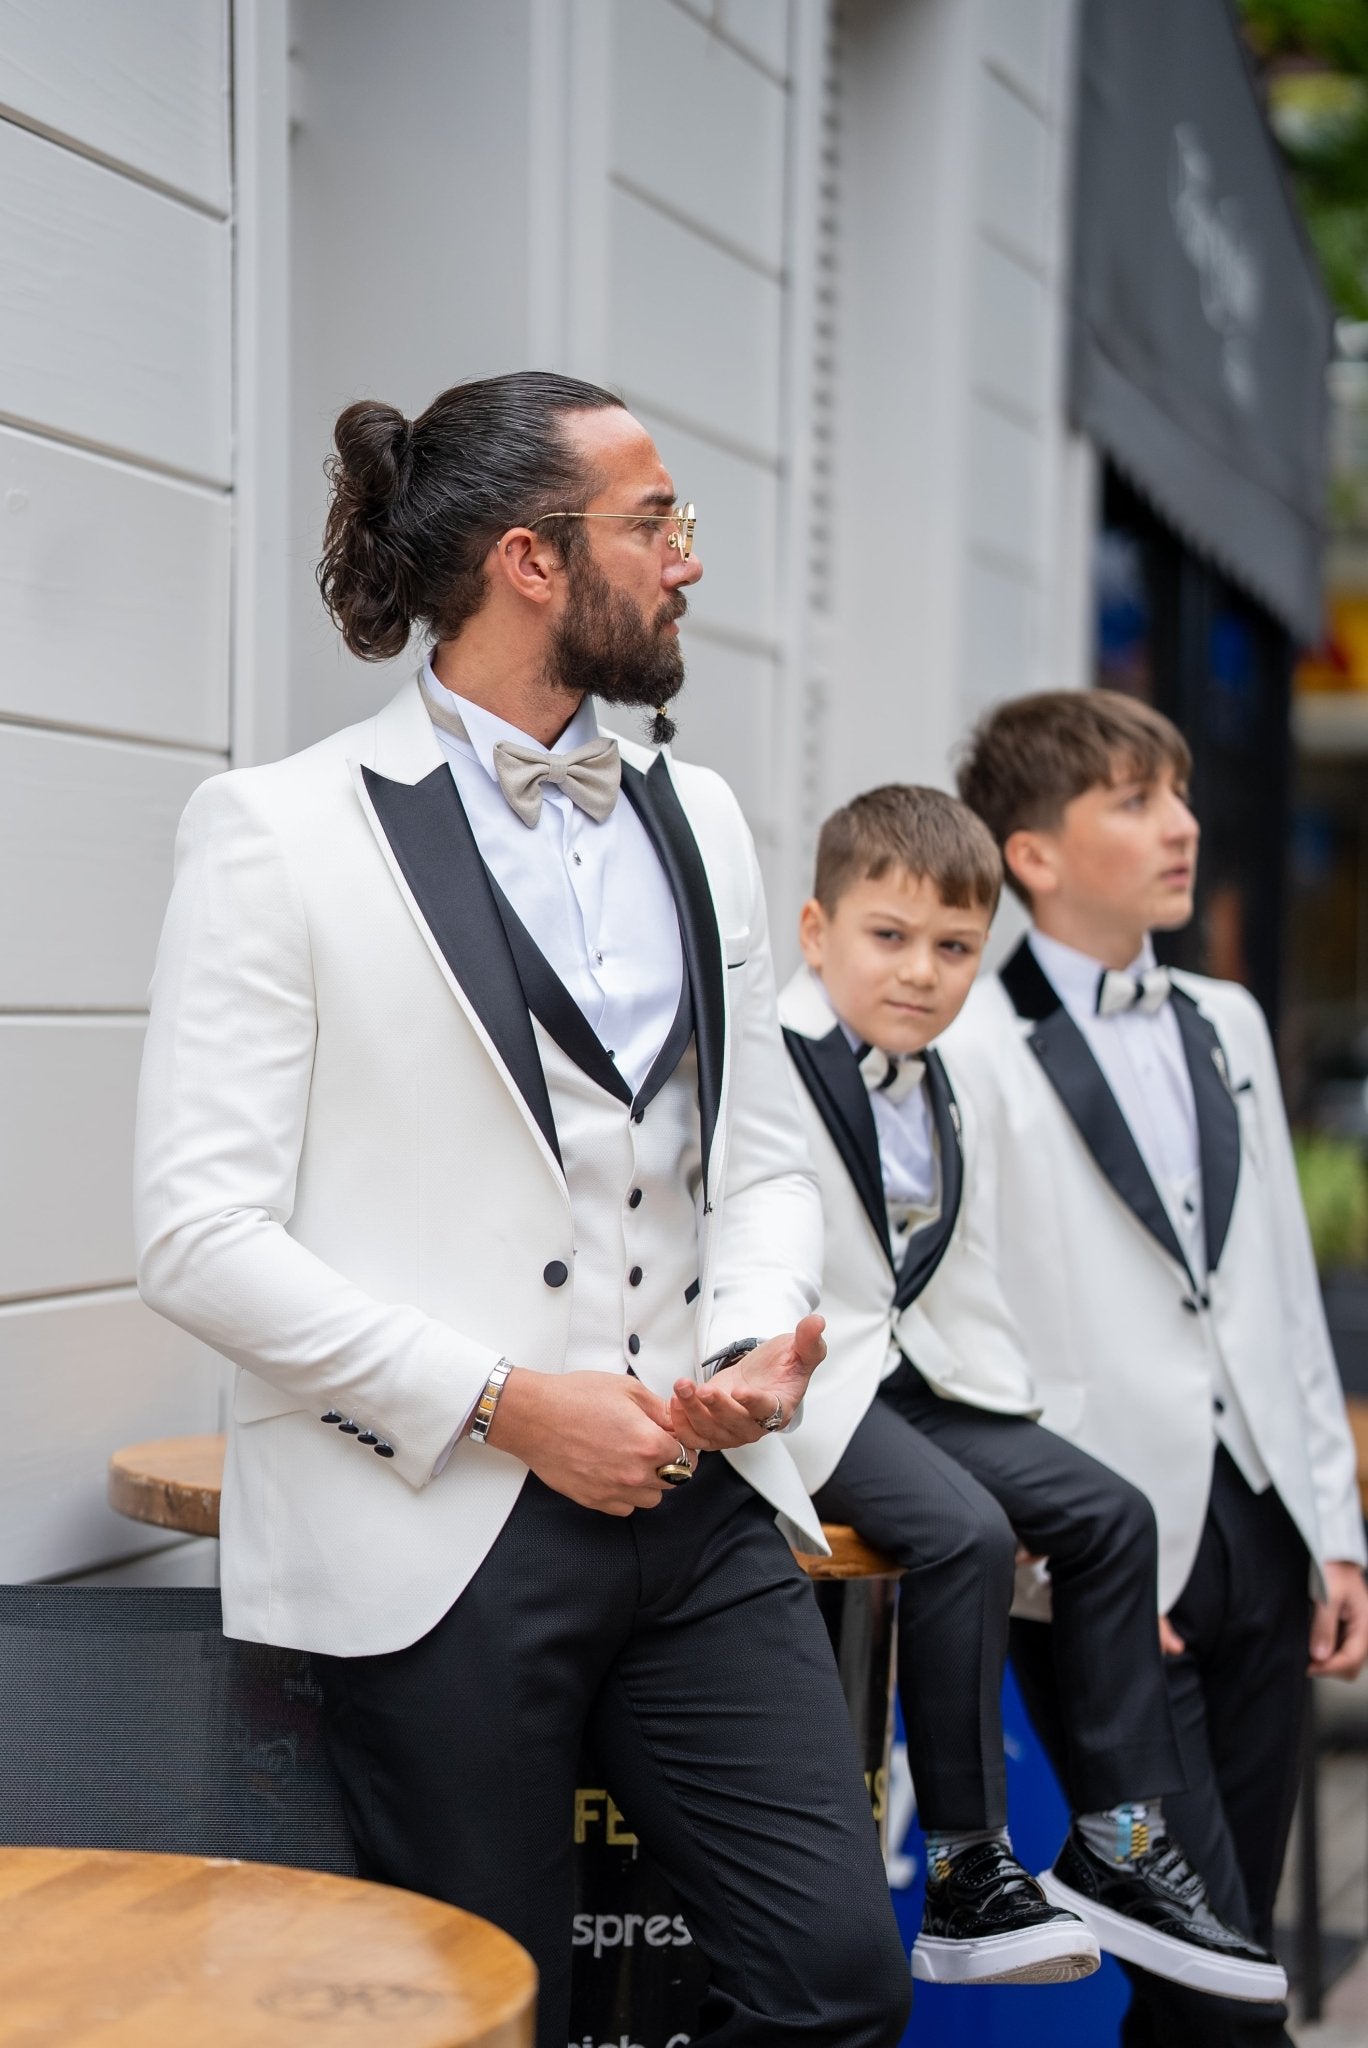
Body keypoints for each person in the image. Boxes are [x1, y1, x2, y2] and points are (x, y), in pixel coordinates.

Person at [133, 371, 910, 2048]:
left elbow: (757, 1153)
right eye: (654, 522)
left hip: (698, 1510)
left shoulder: (696, 816)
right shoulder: (275, 831)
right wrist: (504, 1400)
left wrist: (742, 1345)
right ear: (529, 562)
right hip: (437, 1532)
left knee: (836, 1981)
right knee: (489, 2019)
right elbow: (196, 1232)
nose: (689, 561)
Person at [780, 783, 1285, 2002]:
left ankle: (1116, 1847)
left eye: (955, 948)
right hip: (810, 1385)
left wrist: (1021, 1419)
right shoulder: (766, 1058)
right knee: (964, 1529)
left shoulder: (951, 1075)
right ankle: (965, 1870)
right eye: (888, 937)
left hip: (929, 1373)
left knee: (1111, 1513)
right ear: (816, 930)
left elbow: (970, 1274)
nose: (922, 972)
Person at [926, 688, 1368, 2046]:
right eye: (1134, 798)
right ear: (1035, 855)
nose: (1182, 826)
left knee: (1204, 1990)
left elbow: (1282, 1292)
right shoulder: (963, 1046)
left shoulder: (1227, 1020)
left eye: (1179, 793)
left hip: (1262, 1536)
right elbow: (958, 1322)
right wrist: (1056, 1548)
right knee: (1223, 1987)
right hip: (1112, 1563)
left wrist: (1335, 1533)